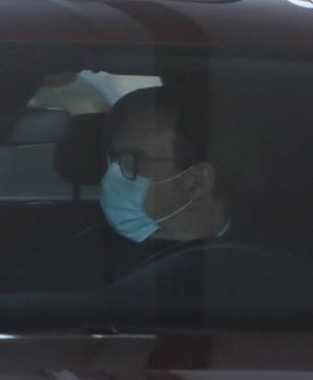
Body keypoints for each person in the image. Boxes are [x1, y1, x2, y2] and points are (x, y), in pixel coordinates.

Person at [17, 85, 264, 290]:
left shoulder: (267, 271)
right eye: (112, 158)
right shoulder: (72, 266)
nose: (112, 174)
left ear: (196, 182)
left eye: (132, 160)